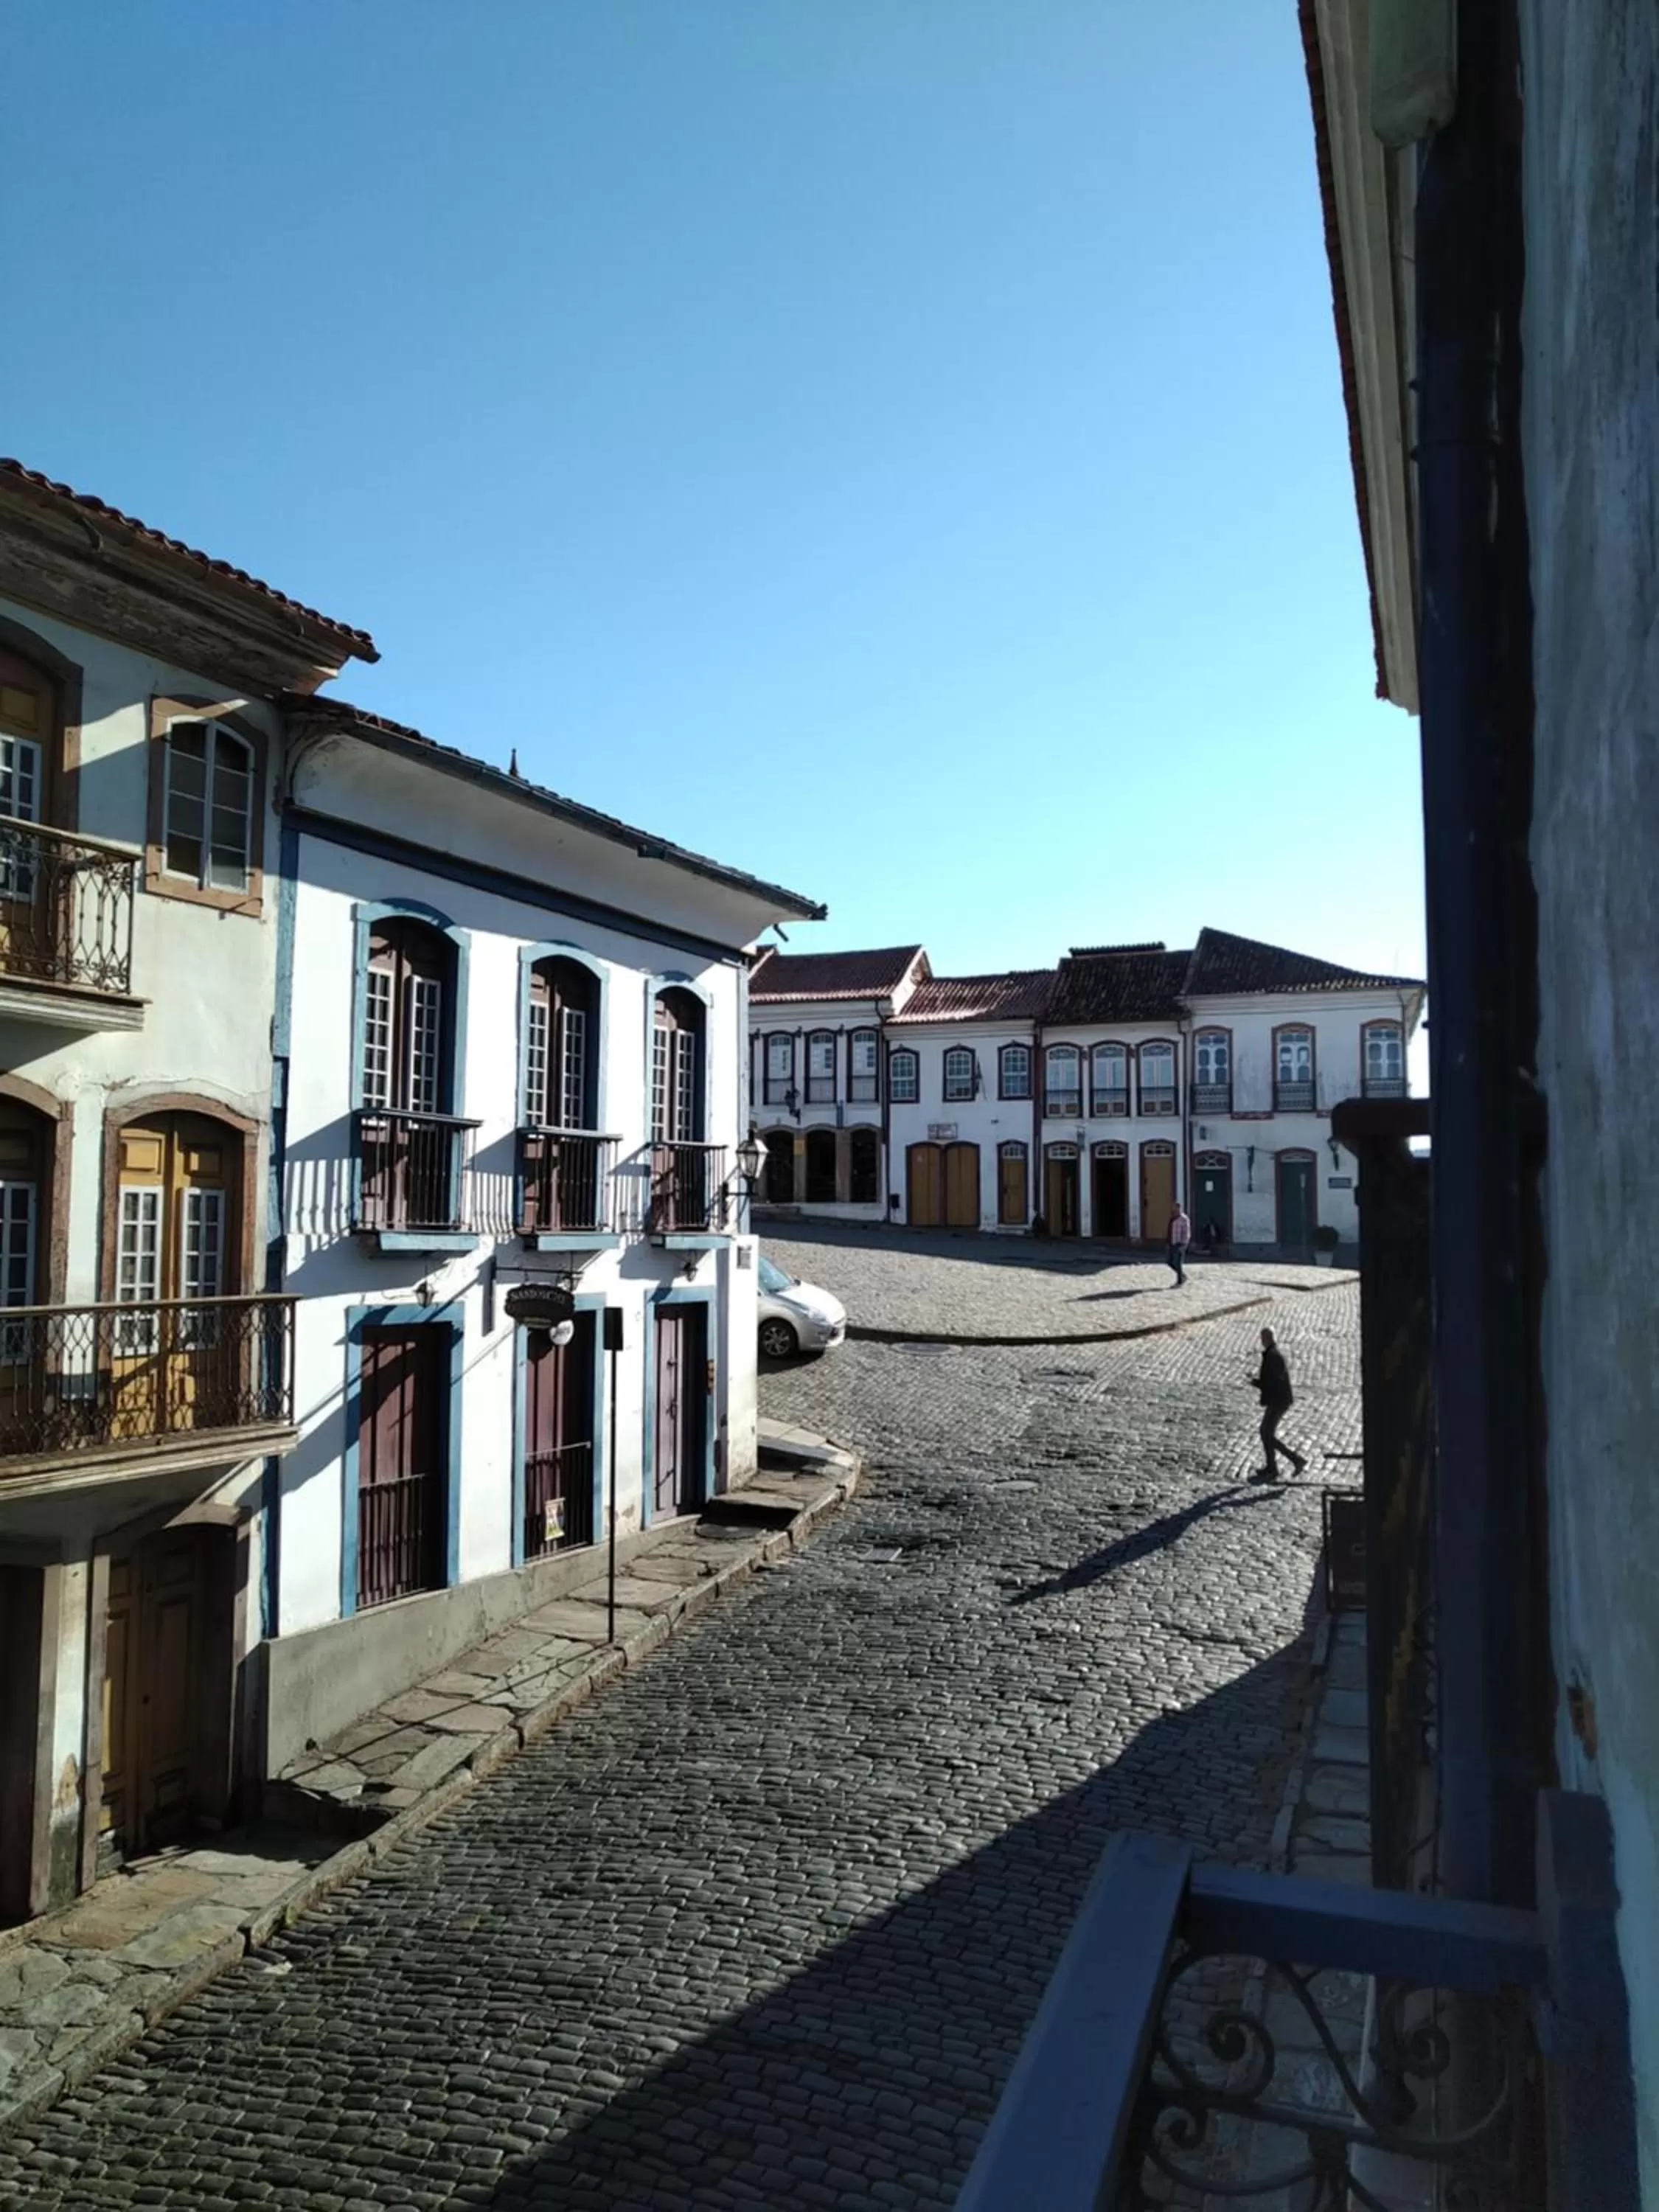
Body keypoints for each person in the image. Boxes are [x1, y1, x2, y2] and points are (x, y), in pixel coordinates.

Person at [1248, 1326, 1307, 1481]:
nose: (1261, 1341)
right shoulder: (1272, 1354)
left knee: (1266, 1433)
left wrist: (1258, 1383)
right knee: (1266, 1433)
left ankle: (1294, 1460)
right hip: (1278, 1399)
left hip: (1279, 1401)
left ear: (1267, 1339)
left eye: (1263, 1338)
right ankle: (1272, 1467)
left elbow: (1273, 1382)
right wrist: (1258, 1382)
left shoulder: (1273, 1356)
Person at [1167, 1201, 1192, 1286]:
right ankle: (1182, 1275)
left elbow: (1187, 1233)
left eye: (1176, 1208)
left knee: (1178, 1262)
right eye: (1173, 1208)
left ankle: (1180, 1281)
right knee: (1170, 1262)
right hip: (1172, 1242)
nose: (1174, 1209)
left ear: (1179, 1208)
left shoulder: (1184, 1219)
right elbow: (1169, 1231)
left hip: (1180, 1243)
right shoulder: (1172, 1218)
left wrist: (1184, 1244)